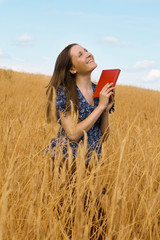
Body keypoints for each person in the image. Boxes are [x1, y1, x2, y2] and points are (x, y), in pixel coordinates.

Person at [46, 43, 115, 166]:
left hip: (91, 162)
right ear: (73, 69)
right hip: (65, 161)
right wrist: (100, 107)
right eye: (80, 54)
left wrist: (105, 110)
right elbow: (72, 134)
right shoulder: (65, 91)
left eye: (86, 50)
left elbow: (103, 137)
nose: (88, 54)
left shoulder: (99, 91)